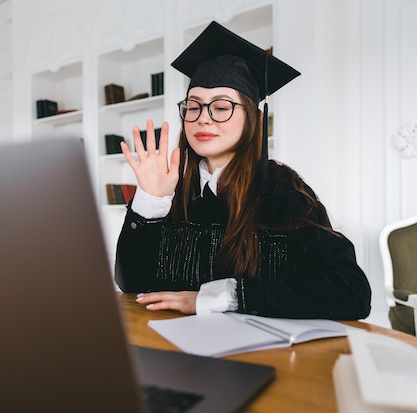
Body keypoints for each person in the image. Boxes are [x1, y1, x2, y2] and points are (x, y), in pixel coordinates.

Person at [115, 21, 371, 320]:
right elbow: (132, 283)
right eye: (193, 106)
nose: (203, 119)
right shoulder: (171, 189)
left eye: (221, 107)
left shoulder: (280, 189)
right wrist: (150, 202)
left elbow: (350, 291)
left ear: (250, 117)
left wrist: (223, 296)